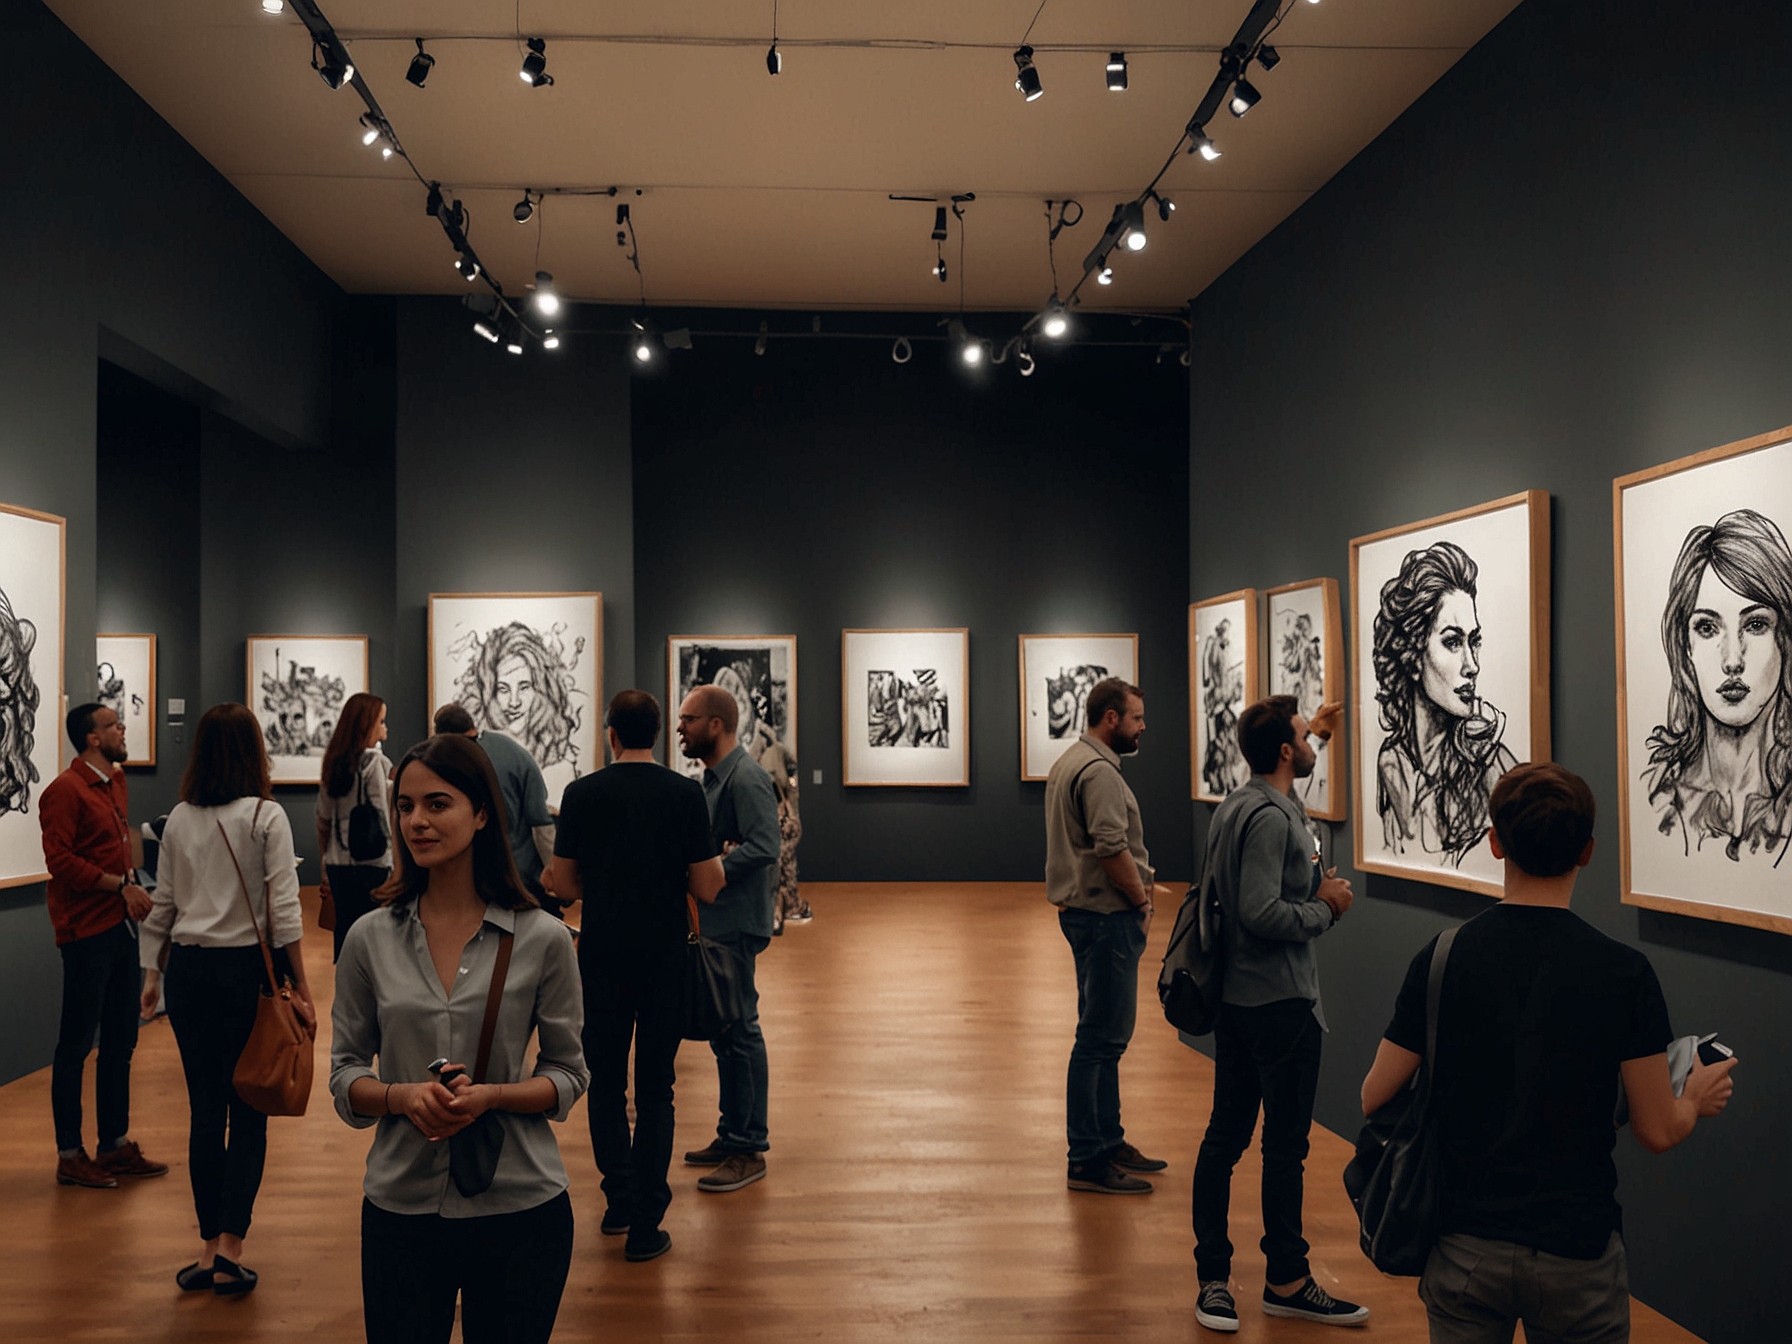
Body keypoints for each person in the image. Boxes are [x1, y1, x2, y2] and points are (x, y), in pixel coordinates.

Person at [1361, 762, 1739, 1343]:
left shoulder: (1442, 957)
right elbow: (1658, 1130)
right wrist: (1692, 1097)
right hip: (1578, 1253)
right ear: (1587, 852)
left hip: (1464, 1246)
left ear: (1494, 843)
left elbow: (1374, 1095)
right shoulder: (1624, 973)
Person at [330, 733, 588, 1344]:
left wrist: (491, 1096)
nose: (416, 821)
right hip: (402, 1206)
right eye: (405, 805)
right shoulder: (369, 938)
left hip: (520, 1205)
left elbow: (569, 1075)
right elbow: (344, 1074)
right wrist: (401, 1097)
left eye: (437, 804)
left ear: (480, 814)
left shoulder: (544, 938)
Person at [1190, 694, 1368, 1332]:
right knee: (1282, 1149)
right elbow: (1261, 912)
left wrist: (1315, 727)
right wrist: (1328, 908)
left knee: (1226, 1140)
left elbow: (1293, 792)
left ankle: (1215, 1278)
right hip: (1280, 1003)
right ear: (1286, 751)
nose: (1312, 741)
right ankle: (1286, 1281)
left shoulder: (1245, 802)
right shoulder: (1270, 819)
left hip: (1239, 1001)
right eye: (1304, 735)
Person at [138, 703, 313, 1295]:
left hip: (189, 973)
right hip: (247, 974)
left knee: (205, 1112)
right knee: (252, 1106)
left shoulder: (180, 818)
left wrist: (151, 974)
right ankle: (233, 1248)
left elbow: (161, 907)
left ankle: (209, 1245)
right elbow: (284, 913)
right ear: (254, 751)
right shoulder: (267, 816)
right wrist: (304, 988)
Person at [551, 690, 724, 1261]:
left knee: (604, 1082)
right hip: (665, 958)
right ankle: (649, 1225)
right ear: (654, 732)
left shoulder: (581, 794)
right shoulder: (684, 793)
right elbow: (707, 885)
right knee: (657, 1088)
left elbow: (563, 884)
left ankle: (618, 1201)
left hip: (601, 956)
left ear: (611, 734)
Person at [1043, 676, 1166, 1195]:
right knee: (1100, 1039)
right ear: (1110, 719)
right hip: (1105, 917)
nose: (1142, 727)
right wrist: (1140, 901)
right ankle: (1087, 1158)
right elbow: (1111, 847)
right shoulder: (1098, 773)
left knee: (1104, 1038)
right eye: (1136, 718)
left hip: (1087, 915)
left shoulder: (1072, 760)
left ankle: (1107, 1139)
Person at [39, 702, 167, 1189]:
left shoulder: (115, 781)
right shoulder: (63, 792)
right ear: (93, 738)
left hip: (119, 928)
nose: (122, 730)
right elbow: (60, 862)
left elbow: (117, 845)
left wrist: (134, 885)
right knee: (75, 1044)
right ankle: (69, 1153)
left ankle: (112, 1144)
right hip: (84, 932)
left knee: (121, 1040)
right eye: (114, 725)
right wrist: (120, 886)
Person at [676, 684, 780, 1193]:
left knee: (739, 1032)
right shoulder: (716, 779)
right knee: (725, 1033)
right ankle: (731, 1132)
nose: (680, 728)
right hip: (716, 924)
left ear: (715, 724)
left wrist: (712, 866)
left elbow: (765, 844)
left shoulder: (746, 777)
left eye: (688, 719)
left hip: (735, 924)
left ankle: (748, 1147)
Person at [1644, 508, 1792, 862]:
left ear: (1784, 639)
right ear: (1685, 647)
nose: (1732, 660)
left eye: (1755, 625)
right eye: (1708, 628)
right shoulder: (1658, 793)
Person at [1372, 541, 1519, 866]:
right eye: (1452, 641)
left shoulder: (1493, 761)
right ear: (1412, 655)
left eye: (1474, 641)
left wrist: (1478, 761)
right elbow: (1422, 851)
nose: (1472, 665)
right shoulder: (1393, 761)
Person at [434, 702, 560, 915]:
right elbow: (541, 824)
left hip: (470, 881)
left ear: (443, 736)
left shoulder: (444, 761)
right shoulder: (514, 752)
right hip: (522, 877)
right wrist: (555, 879)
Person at [316, 692, 393, 961]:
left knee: (346, 935)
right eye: (381, 722)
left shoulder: (333, 762)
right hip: (373, 862)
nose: (384, 730)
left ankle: (346, 995)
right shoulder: (377, 763)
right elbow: (384, 815)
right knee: (375, 940)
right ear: (368, 724)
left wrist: (325, 862)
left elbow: (323, 819)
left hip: (339, 864)